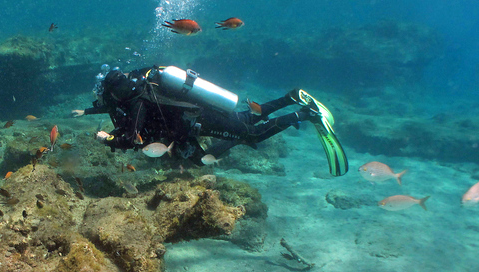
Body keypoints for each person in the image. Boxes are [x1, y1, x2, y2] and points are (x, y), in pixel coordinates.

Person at [72, 65, 348, 176]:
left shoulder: (138, 103)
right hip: (196, 117)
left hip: (199, 119)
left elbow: (131, 139)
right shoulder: (141, 87)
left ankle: (306, 114)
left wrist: (107, 138)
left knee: (251, 133)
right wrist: (86, 112)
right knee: (244, 119)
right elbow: (114, 109)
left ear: (116, 93)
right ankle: (290, 98)